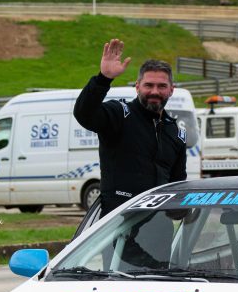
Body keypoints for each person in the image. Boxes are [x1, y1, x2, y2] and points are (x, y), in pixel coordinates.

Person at [73, 39, 187, 215]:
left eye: (161, 86)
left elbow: (178, 183)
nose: (155, 91)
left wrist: (183, 215)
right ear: (137, 87)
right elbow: (84, 114)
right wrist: (103, 79)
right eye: (148, 85)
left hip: (158, 228)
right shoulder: (120, 113)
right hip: (119, 222)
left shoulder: (176, 132)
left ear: (171, 90)